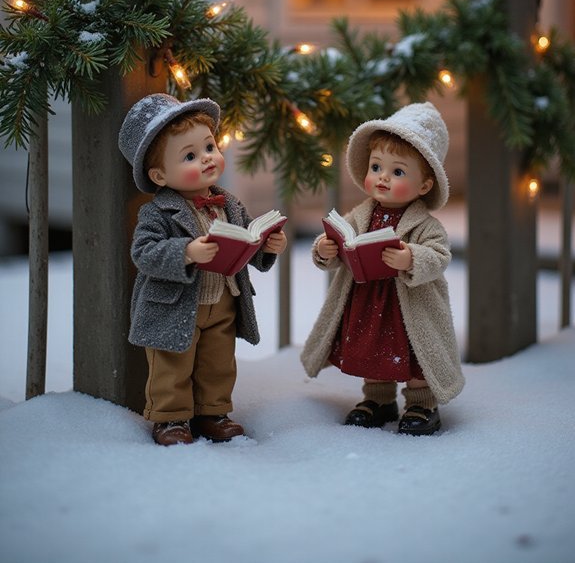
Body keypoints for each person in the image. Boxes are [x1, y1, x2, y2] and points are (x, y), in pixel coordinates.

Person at [118, 93, 287, 446]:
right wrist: (187, 251)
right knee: (172, 365)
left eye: (210, 147)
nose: (207, 159)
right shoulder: (157, 212)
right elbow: (144, 253)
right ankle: (170, 418)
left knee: (218, 362)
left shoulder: (229, 203)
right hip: (176, 304)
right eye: (191, 156)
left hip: (224, 301)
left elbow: (246, 238)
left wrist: (265, 246)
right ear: (159, 174)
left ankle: (213, 411)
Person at [301, 102, 464, 435]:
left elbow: (440, 255)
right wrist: (326, 249)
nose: (383, 178)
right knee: (371, 347)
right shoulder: (360, 215)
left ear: (424, 186)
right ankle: (378, 399)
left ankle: (421, 403)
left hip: (408, 305)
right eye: (376, 167)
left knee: (414, 350)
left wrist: (411, 259)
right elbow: (341, 238)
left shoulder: (425, 224)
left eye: (398, 172)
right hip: (366, 299)